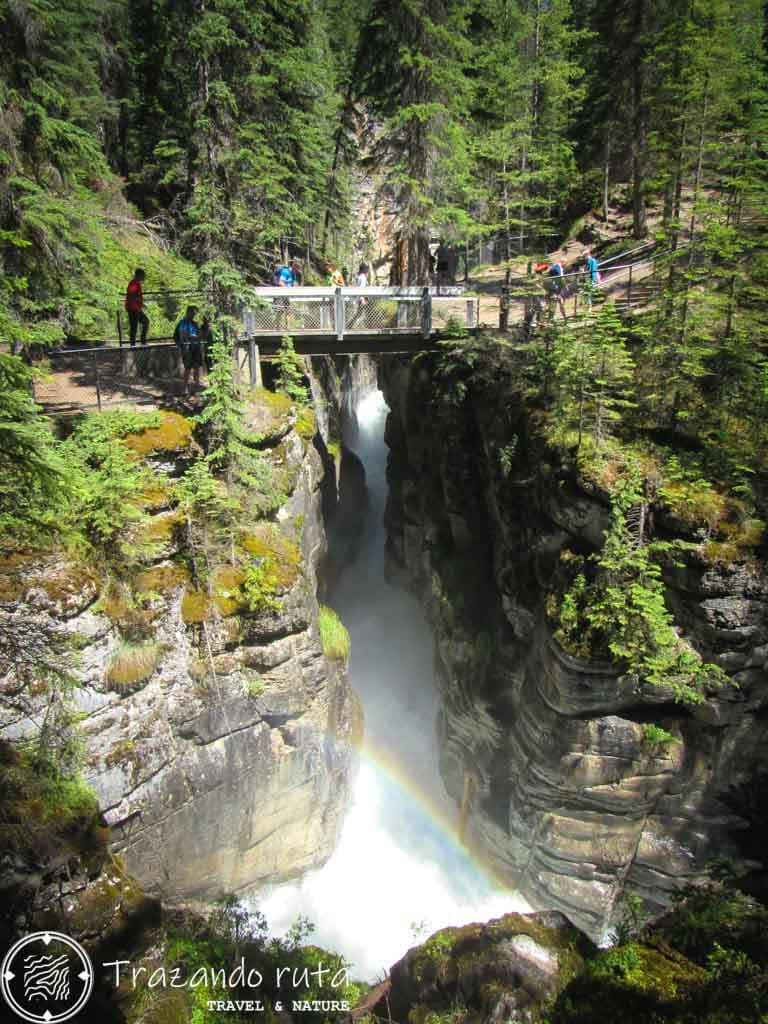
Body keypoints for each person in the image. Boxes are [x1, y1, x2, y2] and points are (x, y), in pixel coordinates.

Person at [174, 305, 202, 393]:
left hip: (196, 347)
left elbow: (200, 335)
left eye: (194, 313)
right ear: (188, 312)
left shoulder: (195, 323)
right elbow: (183, 335)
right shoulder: (183, 323)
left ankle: (196, 385)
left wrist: (196, 337)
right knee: (188, 368)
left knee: (196, 367)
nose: (193, 315)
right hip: (187, 348)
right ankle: (185, 387)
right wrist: (194, 337)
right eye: (192, 313)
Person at [125, 268, 149, 346]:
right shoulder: (134, 283)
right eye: (143, 275)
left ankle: (141, 341)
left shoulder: (136, 283)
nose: (144, 277)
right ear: (139, 275)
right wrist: (139, 303)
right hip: (133, 308)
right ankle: (134, 344)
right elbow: (132, 295)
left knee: (144, 322)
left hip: (136, 308)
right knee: (134, 326)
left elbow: (134, 295)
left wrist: (141, 304)